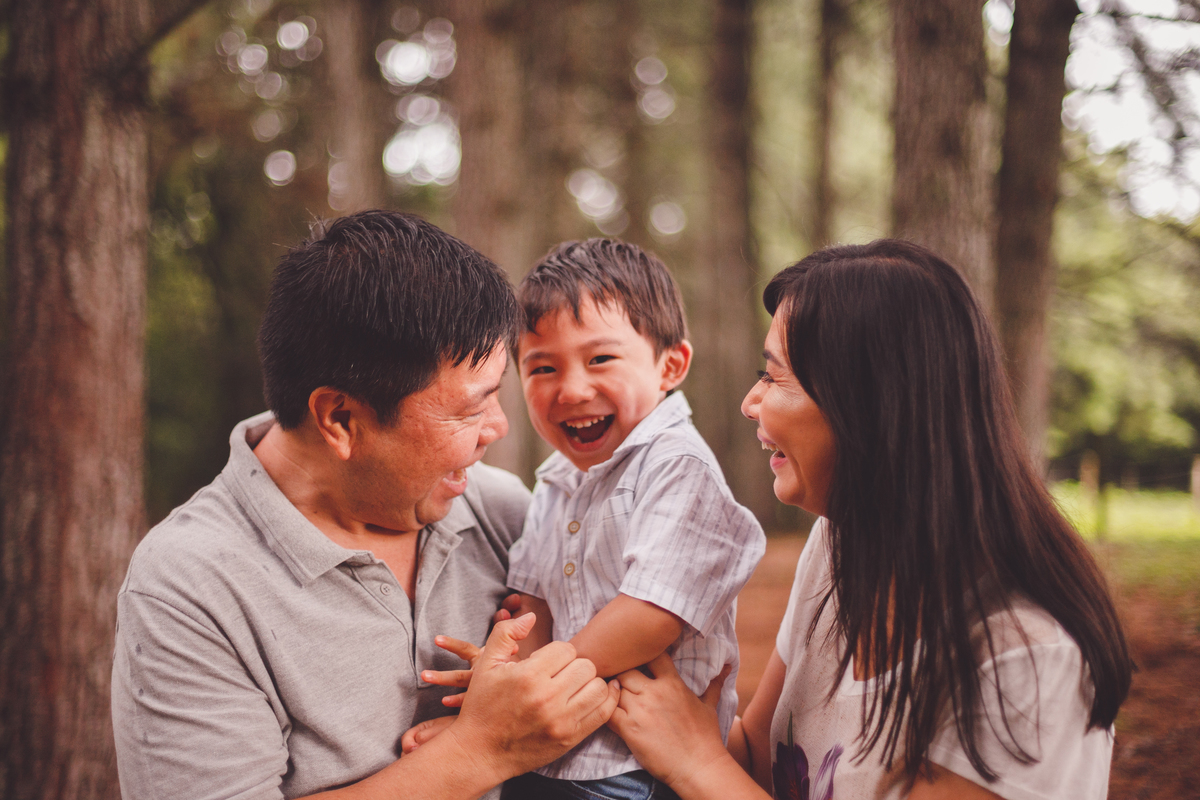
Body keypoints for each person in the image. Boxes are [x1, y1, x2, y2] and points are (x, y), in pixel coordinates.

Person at [110, 211, 618, 800]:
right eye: (469, 410)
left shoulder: (500, 513)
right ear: (341, 419)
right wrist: (480, 750)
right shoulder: (188, 585)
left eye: (497, 396)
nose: (499, 429)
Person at [606, 239, 1134, 800]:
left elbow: (715, 773)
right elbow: (767, 761)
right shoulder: (840, 543)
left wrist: (697, 765)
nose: (750, 402)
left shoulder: (1026, 655)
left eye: (774, 376)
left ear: (869, 407)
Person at [413, 239, 765, 800]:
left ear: (669, 365)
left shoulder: (678, 467)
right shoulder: (558, 479)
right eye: (542, 367)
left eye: (600, 359)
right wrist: (495, 697)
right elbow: (535, 608)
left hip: (636, 764)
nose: (572, 389)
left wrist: (534, 686)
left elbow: (652, 615)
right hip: (548, 753)